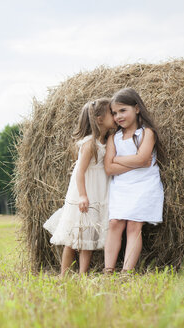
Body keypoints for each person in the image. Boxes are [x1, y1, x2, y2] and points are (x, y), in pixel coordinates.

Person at [43, 98, 117, 275]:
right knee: (74, 237)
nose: (115, 116)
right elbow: (80, 171)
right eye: (111, 113)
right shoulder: (90, 144)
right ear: (100, 119)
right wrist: (83, 195)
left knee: (88, 236)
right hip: (85, 195)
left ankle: (83, 274)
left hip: (98, 193)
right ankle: (64, 275)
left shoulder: (104, 142)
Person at [103, 87, 165, 273]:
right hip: (122, 185)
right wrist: (137, 161)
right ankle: (108, 270)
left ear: (137, 109)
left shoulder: (147, 133)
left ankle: (126, 272)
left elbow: (143, 159)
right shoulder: (114, 137)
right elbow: (108, 168)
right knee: (115, 223)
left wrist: (117, 159)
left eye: (123, 110)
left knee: (133, 225)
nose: (118, 116)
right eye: (114, 113)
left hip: (144, 184)